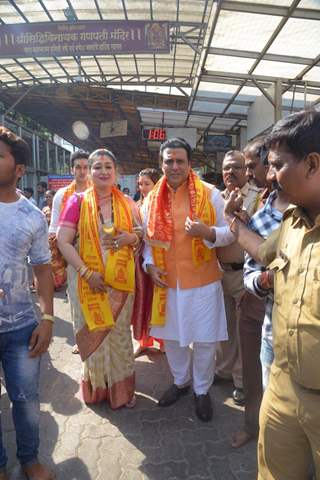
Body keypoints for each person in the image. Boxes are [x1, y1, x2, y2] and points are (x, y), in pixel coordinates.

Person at [224, 109, 320, 479]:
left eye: (278, 165)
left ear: (312, 164)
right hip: (282, 383)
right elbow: (263, 252)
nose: (269, 175)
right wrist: (234, 223)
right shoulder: (293, 220)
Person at [142, 137, 234, 422]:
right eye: (169, 160)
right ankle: (181, 382)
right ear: (162, 163)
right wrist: (148, 265)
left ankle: (202, 390)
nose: (174, 166)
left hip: (203, 282)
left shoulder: (210, 194)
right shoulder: (151, 200)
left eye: (180, 160)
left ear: (189, 164)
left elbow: (229, 233)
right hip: (166, 282)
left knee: (205, 341)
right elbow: (147, 240)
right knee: (172, 339)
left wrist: (207, 233)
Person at [57, 148, 142, 409]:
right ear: (89, 172)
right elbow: (63, 241)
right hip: (86, 283)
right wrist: (86, 272)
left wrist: (132, 238)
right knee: (93, 332)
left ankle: (122, 392)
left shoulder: (128, 202)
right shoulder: (77, 202)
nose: (103, 171)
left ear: (117, 172)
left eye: (108, 166)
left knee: (118, 335)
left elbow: (139, 234)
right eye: (97, 167)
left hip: (119, 282)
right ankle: (96, 390)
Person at [0, 127, 55, 480]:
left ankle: (30, 460)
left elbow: (43, 269)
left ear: (19, 168)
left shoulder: (32, 215)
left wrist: (48, 318)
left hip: (21, 327)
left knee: (26, 400)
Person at [215, 150, 261, 406]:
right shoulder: (215, 196)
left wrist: (244, 216)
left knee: (246, 331)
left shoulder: (257, 197)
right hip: (219, 273)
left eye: (236, 168)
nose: (230, 172)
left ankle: (244, 382)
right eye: (226, 168)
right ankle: (223, 370)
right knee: (226, 327)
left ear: (246, 171)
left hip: (244, 273)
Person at [133, 168, 164, 356]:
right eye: (140, 184)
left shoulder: (163, 205)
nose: (143, 187)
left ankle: (164, 340)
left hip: (159, 259)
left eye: (147, 183)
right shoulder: (136, 204)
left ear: (156, 184)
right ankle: (142, 341)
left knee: (160, 300)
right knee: (142, 301)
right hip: (139, 262)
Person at [49, 150, 90, 291]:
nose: (82, 171)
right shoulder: (61, 195)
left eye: (86, 167)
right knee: (76, 294)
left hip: (95, 250)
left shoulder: (98, 193)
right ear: (72, 170)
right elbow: (54, 230)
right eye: (78, 167)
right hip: (70, 254)